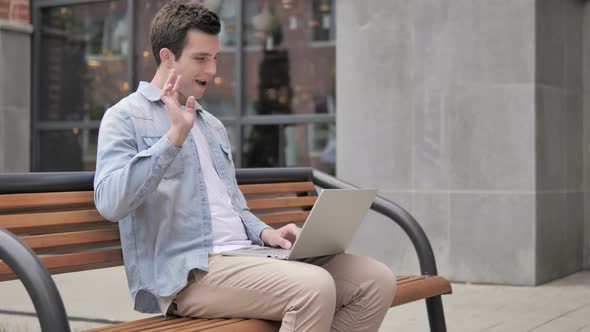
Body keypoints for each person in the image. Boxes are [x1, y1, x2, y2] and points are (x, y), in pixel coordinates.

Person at [94, 1, 396, 331]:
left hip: (248, 256)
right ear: (167, 57)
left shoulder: (211, 126)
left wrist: (266, 232)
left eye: (215, 58)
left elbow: (232, 207)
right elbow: (110, 202)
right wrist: (173, 139)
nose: (212, 70)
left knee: (375, 280)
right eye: (200, 58)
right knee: (313, 287)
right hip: (189, 273)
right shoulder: (125, 117)